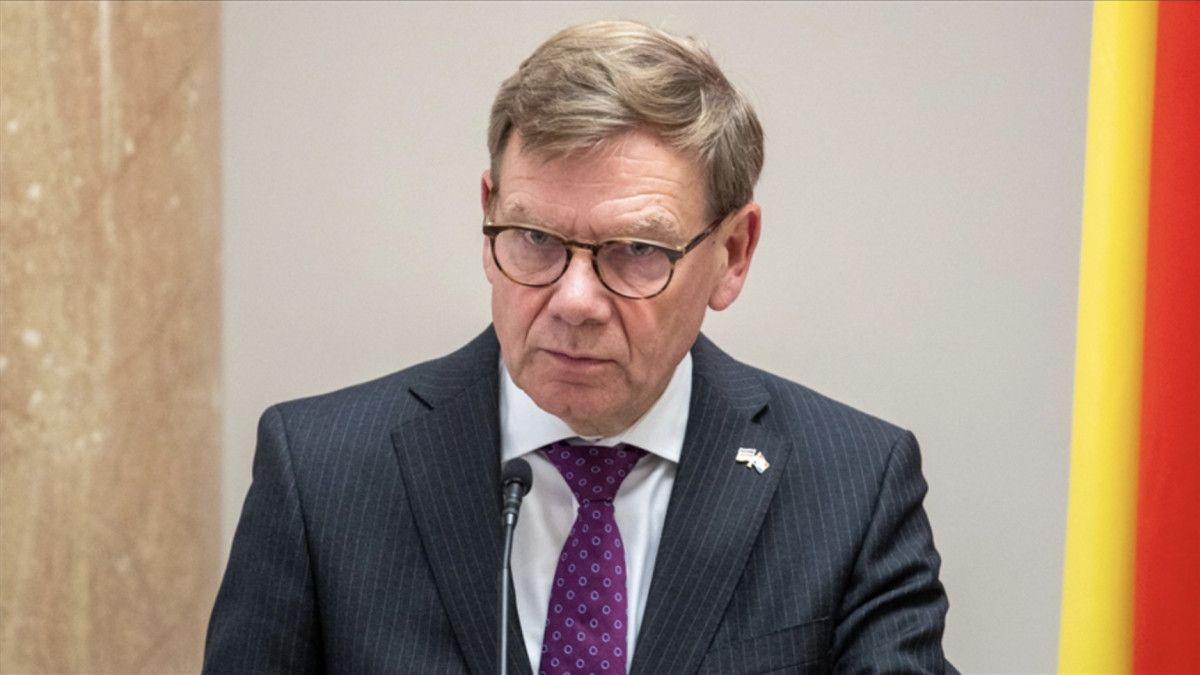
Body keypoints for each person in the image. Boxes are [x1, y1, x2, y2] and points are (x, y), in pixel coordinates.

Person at [204, 20, 954, 674]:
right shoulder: (320, 473)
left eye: (637, 250)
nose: (574, 301)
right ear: (488, 218)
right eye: (534, 238)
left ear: (732, 253)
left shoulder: (853, 488)